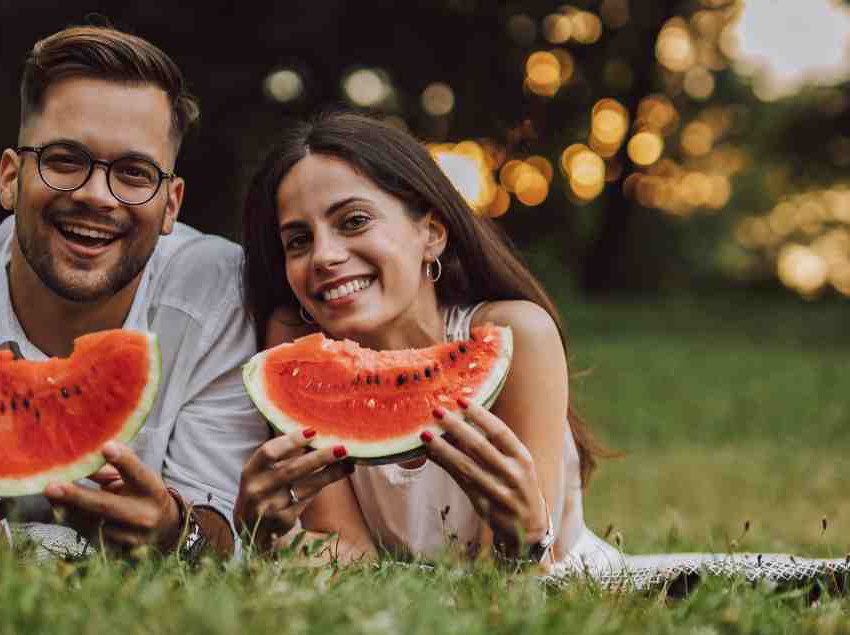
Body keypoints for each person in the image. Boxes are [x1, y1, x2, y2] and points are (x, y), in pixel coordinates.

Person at [0, 24, 269, 558]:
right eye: (64, 160)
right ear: (11, 178)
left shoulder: (217, 290)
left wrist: (179, 534)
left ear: (171, 204)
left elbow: (222, 530)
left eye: (133, 172)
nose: (96, 195)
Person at [232, 110, 619, 570]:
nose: (324, 256)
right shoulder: (295, 348)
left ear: (431, 233)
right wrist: (267, 538)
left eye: (353, 221)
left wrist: (526, 537)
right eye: (298, 241)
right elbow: (350, 560)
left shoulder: (518, 335)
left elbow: (524, 578)